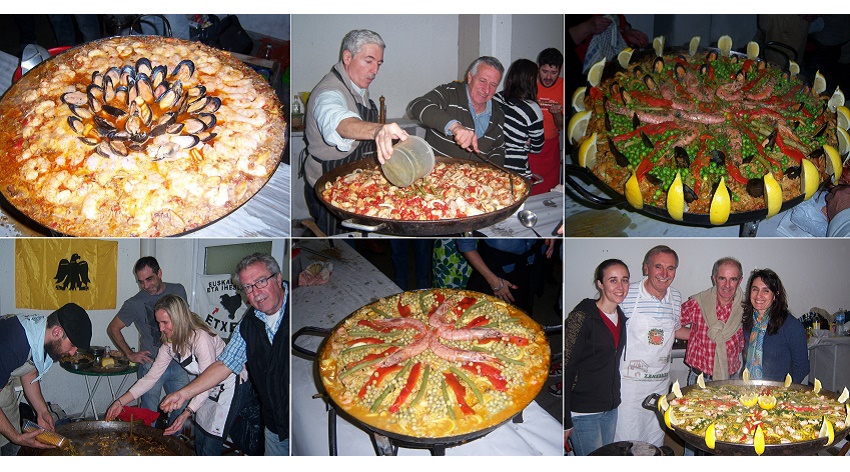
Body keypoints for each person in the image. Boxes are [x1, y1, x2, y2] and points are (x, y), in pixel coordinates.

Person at [161, 253, 289, 455]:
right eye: (248, 287)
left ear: (278, 278)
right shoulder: (250, 322)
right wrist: (183, 394)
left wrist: (187, 409)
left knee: (212, 439)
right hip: (276, 422)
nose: (256, 292)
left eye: (261, 281)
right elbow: (225, 364)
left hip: (297, 416)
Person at [106, 295, 246, 456]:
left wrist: (186, 412)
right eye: (158, 322)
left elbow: (209, 379)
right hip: (205, 388)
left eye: (165, 322)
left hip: (229, 386)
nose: (160, 328)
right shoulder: (169, 345)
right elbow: (150, 378)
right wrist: (120, 402)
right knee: (200, 435)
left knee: (211, 441)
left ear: (180, 318)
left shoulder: (200, 338)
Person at [302, 29, 410, 236]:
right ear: (347, 57)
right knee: (334, 243)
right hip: (327, 182)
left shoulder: (357, 88)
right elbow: (338, 122)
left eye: (378, 64)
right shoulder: (329, 92)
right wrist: (379, 130)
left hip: (353, 179)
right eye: (368, 61)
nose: (375, 70)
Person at [614, 245, 686, 447]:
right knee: (626, 439)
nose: (664, 274)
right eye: (658, 267)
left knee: (654, 436)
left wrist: (706, 336)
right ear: (646, 268)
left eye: (670, 268)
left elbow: (675, 330)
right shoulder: (628, 293)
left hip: (660, 382)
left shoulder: (676, 297)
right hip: (630, 384)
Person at [0, 303, 92, 455]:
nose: (72, 353)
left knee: (8, 445)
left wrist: (42, 411)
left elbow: (29, 372)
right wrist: (16, 437)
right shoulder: (12, 346)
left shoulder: (39, 335)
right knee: (14, 439)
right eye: (72, 345)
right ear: (57, 332)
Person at [106, 256, 189, 420]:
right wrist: (130, 354)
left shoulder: (178, 291)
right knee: (148, 415)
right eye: (141, 282)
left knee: (181, 410)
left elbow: (185, 322)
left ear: (159, 273)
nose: (145, 286)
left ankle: (175, 443)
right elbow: (113, 328)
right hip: (151, 364)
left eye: (149, 279)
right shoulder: (134, 303)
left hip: (179, 362)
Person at [564, 259, 629, 456]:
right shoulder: (582, 317)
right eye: (613, 280)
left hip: (610, 408)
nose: (620, 287)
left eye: (624, 280)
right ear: (600, 284)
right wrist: (565, 421)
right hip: (583, 411)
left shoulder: (621, 317)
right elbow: (566, 367)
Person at [408, 56, 506, 163]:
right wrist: (455, 127)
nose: (486, 90)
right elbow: (417, 105)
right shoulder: (449, 93)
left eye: (493, 85)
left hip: (476, 177)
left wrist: (494, 171)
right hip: (437, 172)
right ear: (470, 77)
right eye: (482, 81)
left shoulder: (498, 113)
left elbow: (498, 149)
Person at [679, 257, 746, 384]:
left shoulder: (746, 308)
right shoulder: (698, 303)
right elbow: (671, 326)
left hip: (731, 380)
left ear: (740, 281)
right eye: (722, 278)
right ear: (714, 278)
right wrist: (695, 334)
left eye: (733, 279)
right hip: (699, 380)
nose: (727, 285)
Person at [742, 268, 809, 384]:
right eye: (755, 289)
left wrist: (784, 392)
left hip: (777, 395)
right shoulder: (748, 323)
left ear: (775, 295)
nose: (759, 295)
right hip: (749, 391)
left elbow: (802, 368)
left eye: (766, 291)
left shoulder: (791, 326)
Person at [456, 238, 555, 317]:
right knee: (487, 319)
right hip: (495, 272)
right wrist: (493, 281)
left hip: (529, 267)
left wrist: (550, 233)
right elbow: (465, 245)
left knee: (520, 317)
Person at [492, 58, 544, 179]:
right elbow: (537, 148)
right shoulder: (532, 109)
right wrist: (525, 144)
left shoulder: (496, 98)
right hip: (515, 169)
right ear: (531, 79)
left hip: (493, 162)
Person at [529, 48, 563, 194]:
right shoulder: (529, 83)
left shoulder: (563, 87)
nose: (549, 77)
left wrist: (556, 115)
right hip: (529, 147)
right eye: (544, 71)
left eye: (554, 73)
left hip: (550, 148)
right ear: (538, 67)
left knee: (551, 191)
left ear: (560, 70)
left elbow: (562, 126)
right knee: (528, 189)